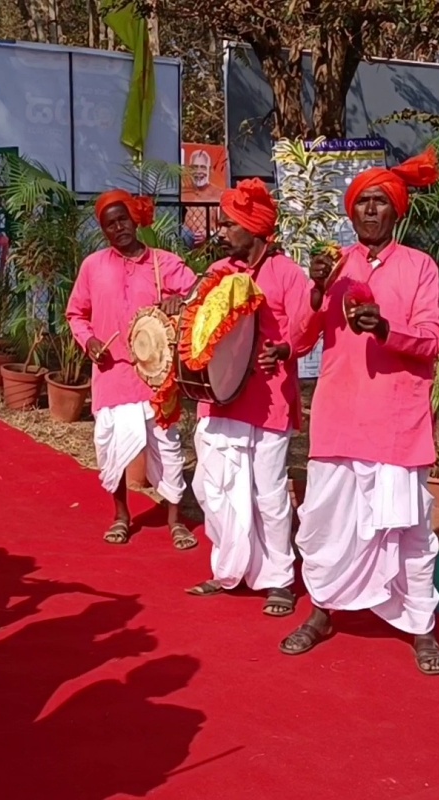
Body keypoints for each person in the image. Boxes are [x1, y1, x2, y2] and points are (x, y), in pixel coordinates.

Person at [280, 150, 439, 675]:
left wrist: (384, 331)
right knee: (326, 524)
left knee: (410, 532)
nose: (371, 211)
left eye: (380, 202)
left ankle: (420, 626)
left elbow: (432, 341)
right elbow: (297, 338)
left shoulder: (420, 267)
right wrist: (315, 290)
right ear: (351, 214)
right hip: (339, 418)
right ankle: (321, 610)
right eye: (363, 204)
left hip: (397, 423)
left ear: (395, 211)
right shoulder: (335, 264)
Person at [184, 179, 315, 616]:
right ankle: (228, 570)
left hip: (270, 401)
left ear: (255, 231)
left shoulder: (288, 274)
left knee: (269, 494)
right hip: (220, 399)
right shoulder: (220, 271)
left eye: (229, 225)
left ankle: (278, 578)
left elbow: (307, 329)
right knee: (215, 487)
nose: (222, 232)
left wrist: (286, 349)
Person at [65, 190, 197, 549]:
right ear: (103, 230)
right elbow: (76, 314)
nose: (118, 228)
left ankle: (175, 520)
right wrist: (88, 341)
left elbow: (201, 291)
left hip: (156, 376)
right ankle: (121, 516)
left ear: (135, 219)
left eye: (122, 220)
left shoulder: (163, 263)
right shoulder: (93, 266)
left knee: (167, 447)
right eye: (110, 225)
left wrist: (179, 300)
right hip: (111, 376)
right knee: (113, 450)